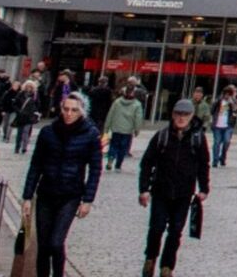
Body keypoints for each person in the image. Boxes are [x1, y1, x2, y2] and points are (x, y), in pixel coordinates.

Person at [23, 89, 102, 277]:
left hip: (70, 194)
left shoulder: (90, 134)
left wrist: (88, 200)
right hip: (46, 193)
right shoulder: (48, 132)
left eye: (73, 110)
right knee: (43, 245)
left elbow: (95, 169)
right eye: (66, 109)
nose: (68, 113)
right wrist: (27, 196)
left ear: (81, 111)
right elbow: (36, 165)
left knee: (56, 242)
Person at [138, 98, 210, 277]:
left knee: (175, 231)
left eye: (185, 115)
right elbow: (147, 163)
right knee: (156, 228)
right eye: (178, 114)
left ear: (192, 116)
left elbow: (203, 164)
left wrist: (204, 188)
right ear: (172, 115)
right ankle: (150, 258)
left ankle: (167, 267)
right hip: (161, 190)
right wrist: (144, 189)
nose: (181, 118)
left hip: (184, 193)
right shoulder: (162, 136)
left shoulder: (198, 138)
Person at [103, 81, 148, 171]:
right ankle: (118, 164)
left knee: (113, 145)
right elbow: (138, 118)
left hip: (116, 128)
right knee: (123, 148)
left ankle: (110, 159)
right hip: (127, 130)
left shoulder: (117, 102)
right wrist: (137, 129)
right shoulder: (137, 104)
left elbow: (110, 114)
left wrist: (106, 127)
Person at [209, 85, 237, 167]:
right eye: (226, 94)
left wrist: (232, 104)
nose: (227, 96)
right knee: (217, 142)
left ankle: (223, 157)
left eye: (229, 94)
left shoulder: (233, 102)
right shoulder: (218, 101)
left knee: (226, 141)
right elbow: (212, 110)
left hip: (228, 126)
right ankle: (215, 160)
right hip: (217, 125)